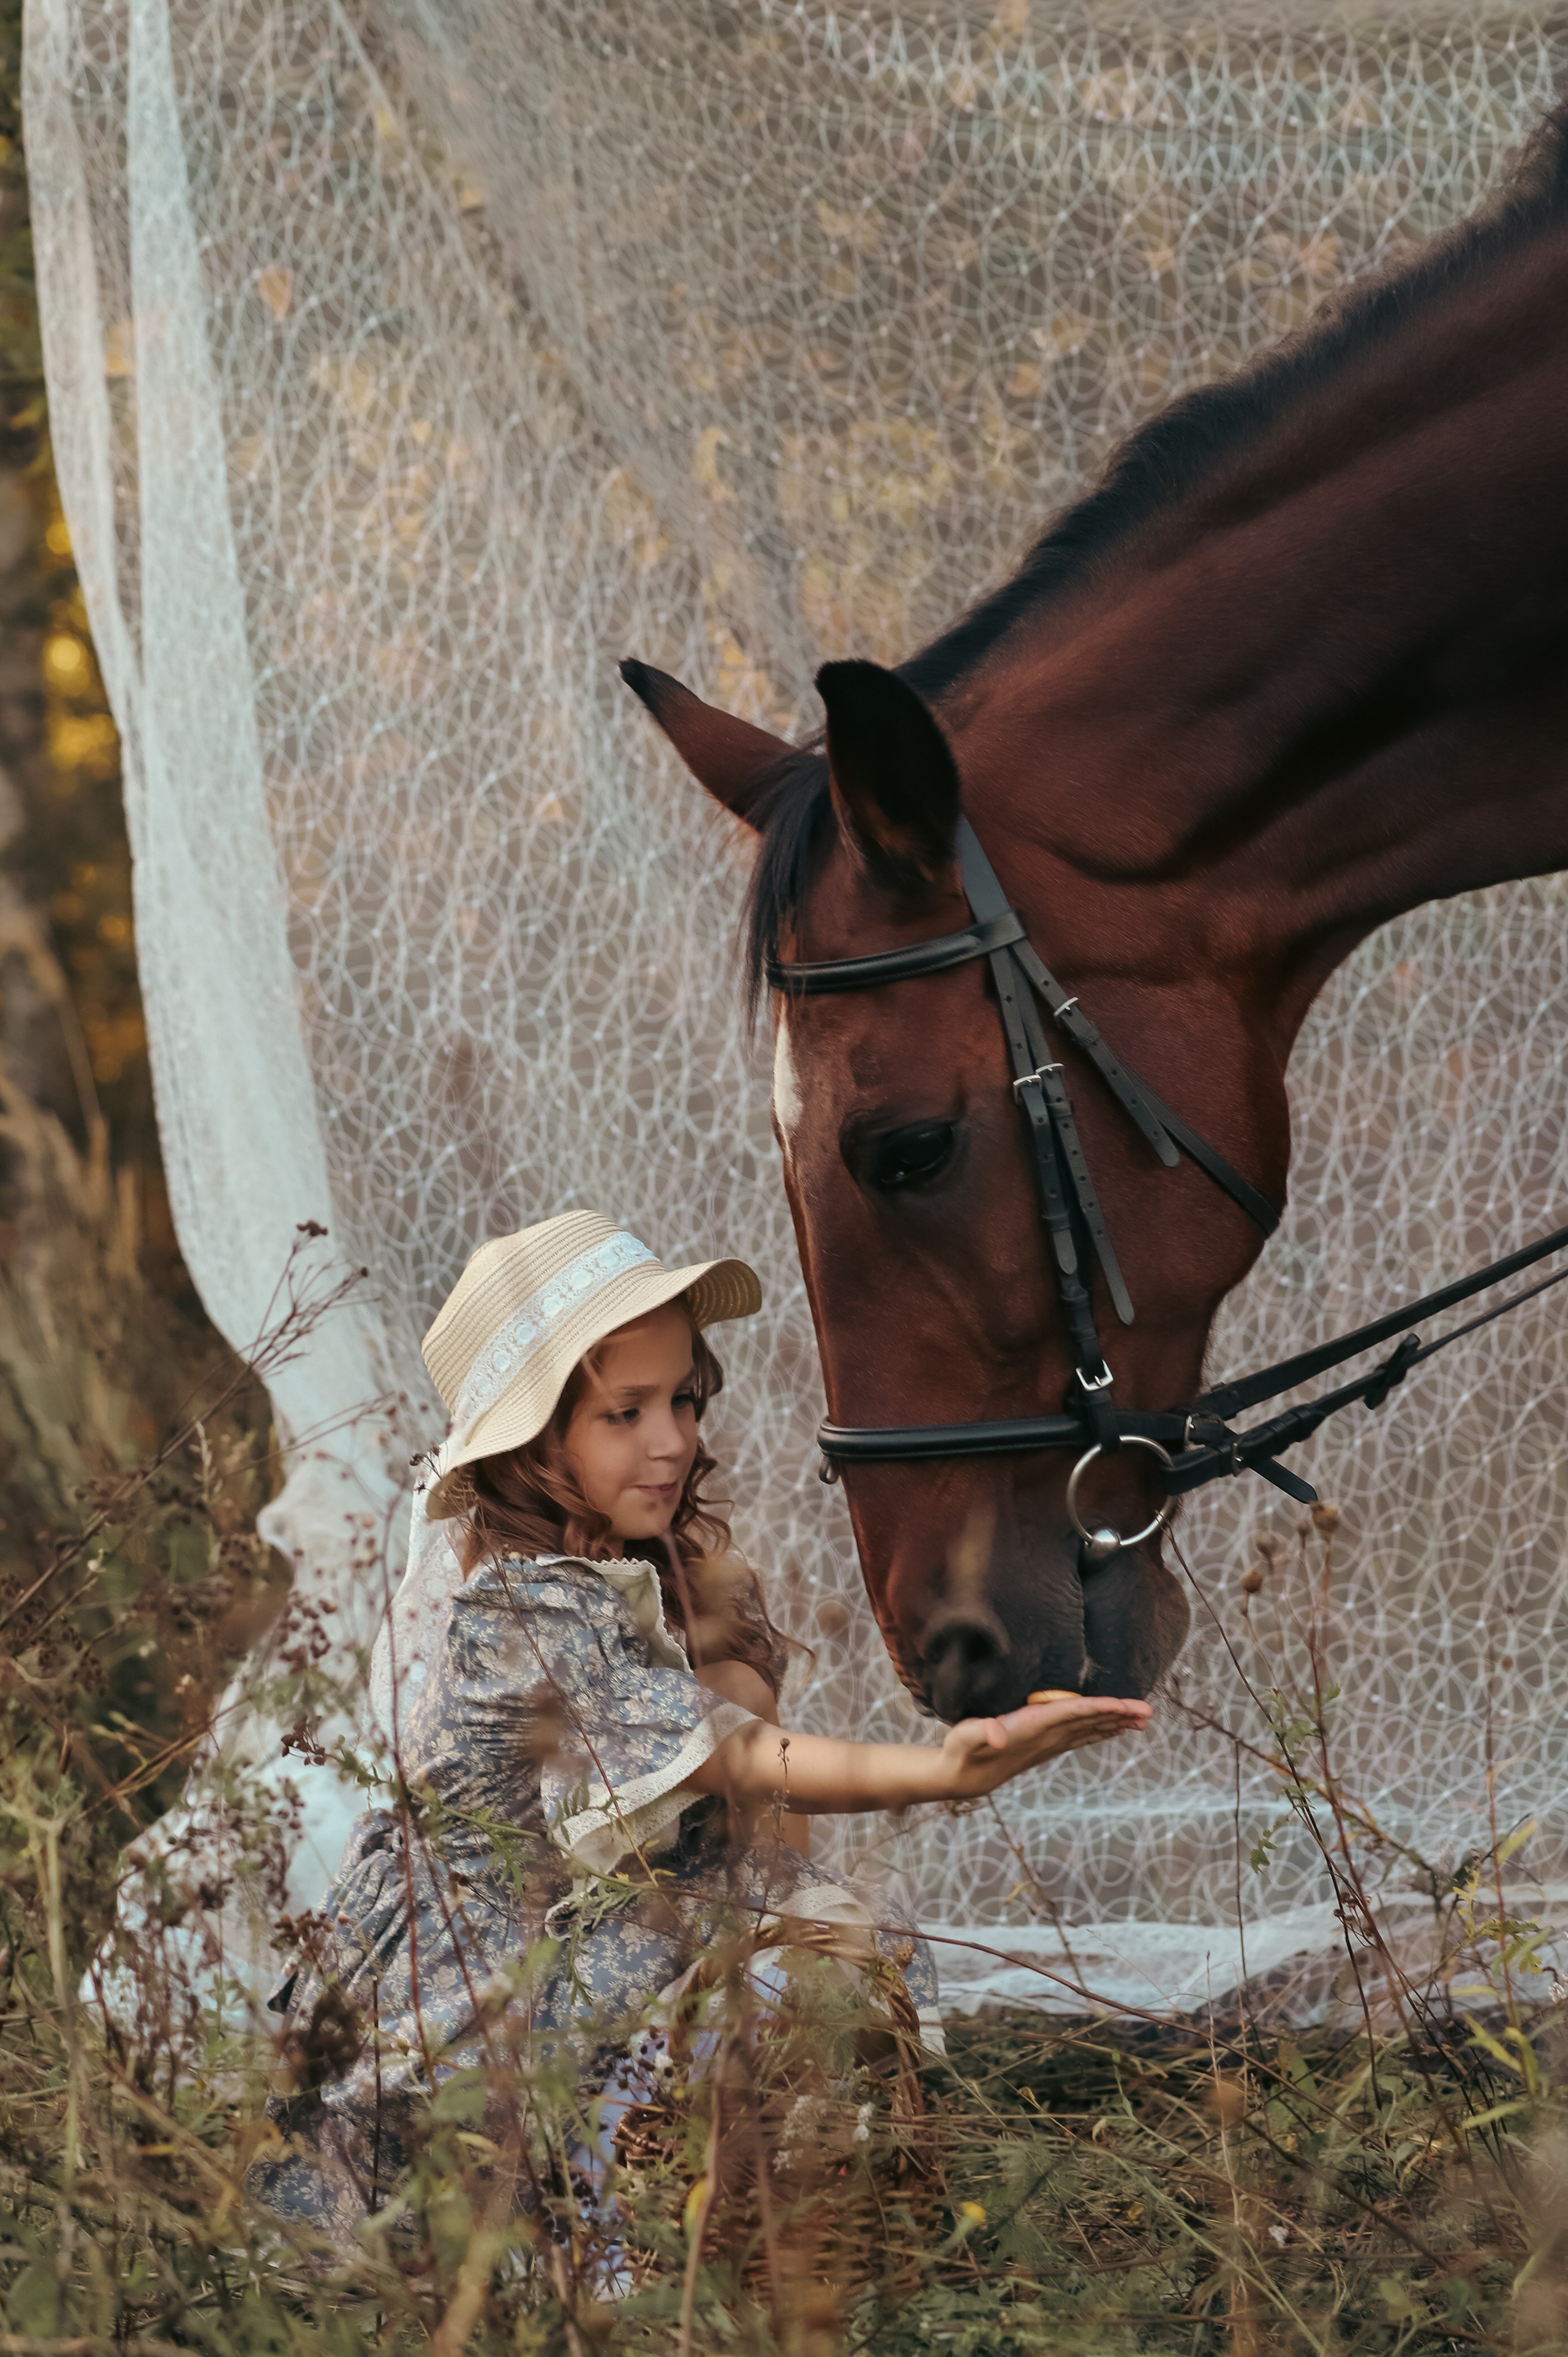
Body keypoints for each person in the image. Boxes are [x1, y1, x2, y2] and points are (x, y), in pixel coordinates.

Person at [249, 1209, 1150, 2251]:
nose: (672, 1440)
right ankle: (621, 2245)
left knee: (806, 1934)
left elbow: (743, 1777)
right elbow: (737, 1755)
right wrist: (943, 1768)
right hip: (494, 1968)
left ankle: (783, 2205)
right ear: (531, 1442)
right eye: (623, 1413)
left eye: (681, 1399)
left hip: (596, 1913)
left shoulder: (638, 1573)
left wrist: (732, 1693)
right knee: (778, 1973)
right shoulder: (520, 1612)